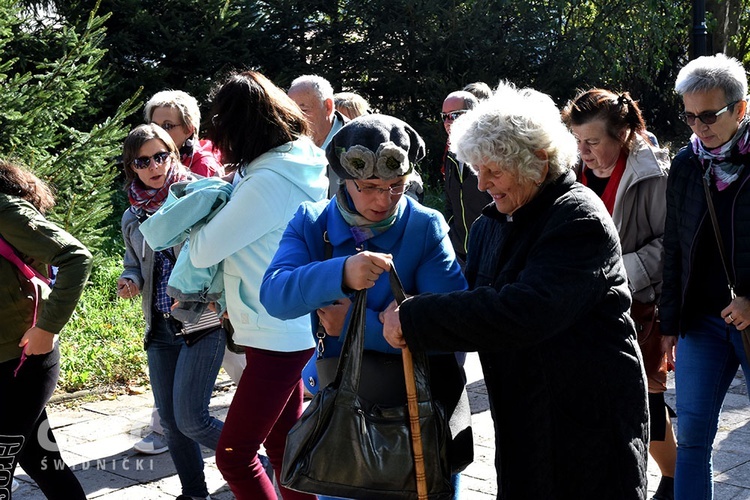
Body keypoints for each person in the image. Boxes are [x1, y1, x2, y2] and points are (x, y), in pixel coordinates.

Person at [382, 82, 649, 498]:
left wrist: (417, 317)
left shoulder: (578, 218)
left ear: (538, 159)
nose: (483, 183)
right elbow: (469, 299)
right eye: (477, 169)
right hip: (524, 421)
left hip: (588, 426)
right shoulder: (495, 220)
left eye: (495, 170)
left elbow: (524, 312)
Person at [260, 114, 474, 499]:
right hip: (344, 429)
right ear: (344, 178)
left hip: (421, 421)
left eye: (397, 186)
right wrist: (340, 272)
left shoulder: (425, 226)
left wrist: (359, 327)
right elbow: (275, 296)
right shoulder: (312, 223)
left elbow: (454, 328)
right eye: (370, 186)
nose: (383, 200)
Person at [188, 70, 328, 500]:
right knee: (284, 444)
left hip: (275, 333)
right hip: (283, 323)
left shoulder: (267, 181)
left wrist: (197, 212)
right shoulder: (293, 162)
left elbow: (201, 252)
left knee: (234, 455)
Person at [562, 88, 675, 500]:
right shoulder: (570, 169)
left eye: (592, 142)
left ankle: (675, 478)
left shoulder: (656, 174)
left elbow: (672, 245)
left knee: (645, 401)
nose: (583, 151)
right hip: (583, 305)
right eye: (577, 141)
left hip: (639, 306)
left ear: (624, 134)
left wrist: (617, 271)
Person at [116, 123, 227, 500]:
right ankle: (195, 493)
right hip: (160, 328)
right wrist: (129, 280)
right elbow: (134, 263)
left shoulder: (200, 195)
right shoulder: (133, 216)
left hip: (202, 320)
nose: (153, 166)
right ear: (132, 167)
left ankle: (256, 462)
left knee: (192, 419)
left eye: (160, 156)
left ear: (173, 154)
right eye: (142, 161)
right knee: (172, 423)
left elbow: (222, 255)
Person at [661, 53, 750, 500]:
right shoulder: (686, 164)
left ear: (741, 108)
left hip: (748, 318)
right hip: (700, 322)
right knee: (692, 440)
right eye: (691, 116)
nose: (699, 126)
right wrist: (669, 323)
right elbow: (673, 247)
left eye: (709, 115)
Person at [139, 89, 244, 456]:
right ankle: (165, 426)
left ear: (189, 128)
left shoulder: (203, 171)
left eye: (167, 124)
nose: (158, 129)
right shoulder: (147, 176)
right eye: (154, 122)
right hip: (173, 305)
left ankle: (263, 443)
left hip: (208, 299)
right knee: (181, 395)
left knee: (237, 367)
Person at [0, 159, 92, 499]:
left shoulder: (6, 211)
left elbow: (75, 257)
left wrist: (47, 328)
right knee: (43, 462)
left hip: (25, 362)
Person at [441, 90, 492, 265]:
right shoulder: (451, 156)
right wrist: (452, 236)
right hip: (460, 253)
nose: (448, 122)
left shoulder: (490, 155)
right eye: (445, 116)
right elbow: (450, 203)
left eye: (454, 115)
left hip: (489, 252)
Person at [288, 74, 348, 196]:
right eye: (290, 111)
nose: (296, 118)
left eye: (303, 111)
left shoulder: (356, 140)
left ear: (328, 107)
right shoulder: (287, 143)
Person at [144, 90, 224, 178]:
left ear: (188, 129)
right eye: (154, 125)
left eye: (167, 126)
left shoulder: (203, 166)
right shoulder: (148, 160)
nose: (158, 132)